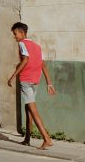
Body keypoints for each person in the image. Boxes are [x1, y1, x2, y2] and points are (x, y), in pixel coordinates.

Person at [6, 21, 56, 149]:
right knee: (28, 108)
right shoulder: (37, 46)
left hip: (26, 81)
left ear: (22, 33)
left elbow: (26, 59)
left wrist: (13, 76)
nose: (15, 36)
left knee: (33, 110)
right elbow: (42, 64)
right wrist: (49, 83)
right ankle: (27, 138)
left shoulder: (22, 44)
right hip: (35, 80)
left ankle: (47, 139)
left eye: (15, 34)